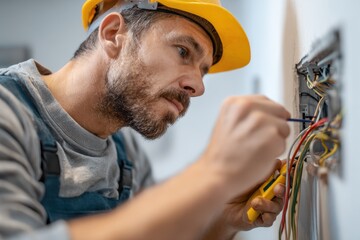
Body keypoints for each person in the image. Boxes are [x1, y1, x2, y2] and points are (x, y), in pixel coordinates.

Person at [0, 0, 291, 239]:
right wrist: (212, 175)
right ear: (114, 34)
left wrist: (224, 220)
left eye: (203, 71)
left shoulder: (125, 152)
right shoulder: (8, 112)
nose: (198, 87)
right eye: (183, 51)